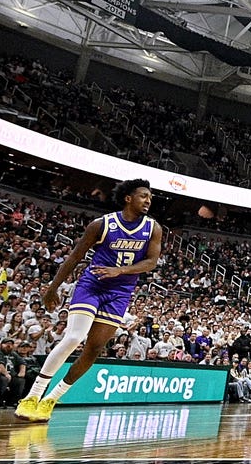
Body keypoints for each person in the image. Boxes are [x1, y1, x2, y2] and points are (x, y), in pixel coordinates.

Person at [15, 179, 161, 423]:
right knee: (74, 337)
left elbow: (151, 262)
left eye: (150, 197)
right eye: (144, 196)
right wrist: (53, 288)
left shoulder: (153, 228)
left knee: (94, 348)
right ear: (128, 198)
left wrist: (120, 271)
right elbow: (75, 256)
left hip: (120, 292)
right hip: (92, 285)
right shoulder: (102, 224)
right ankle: (33, 396)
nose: (148, 200)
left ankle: (52, 399)